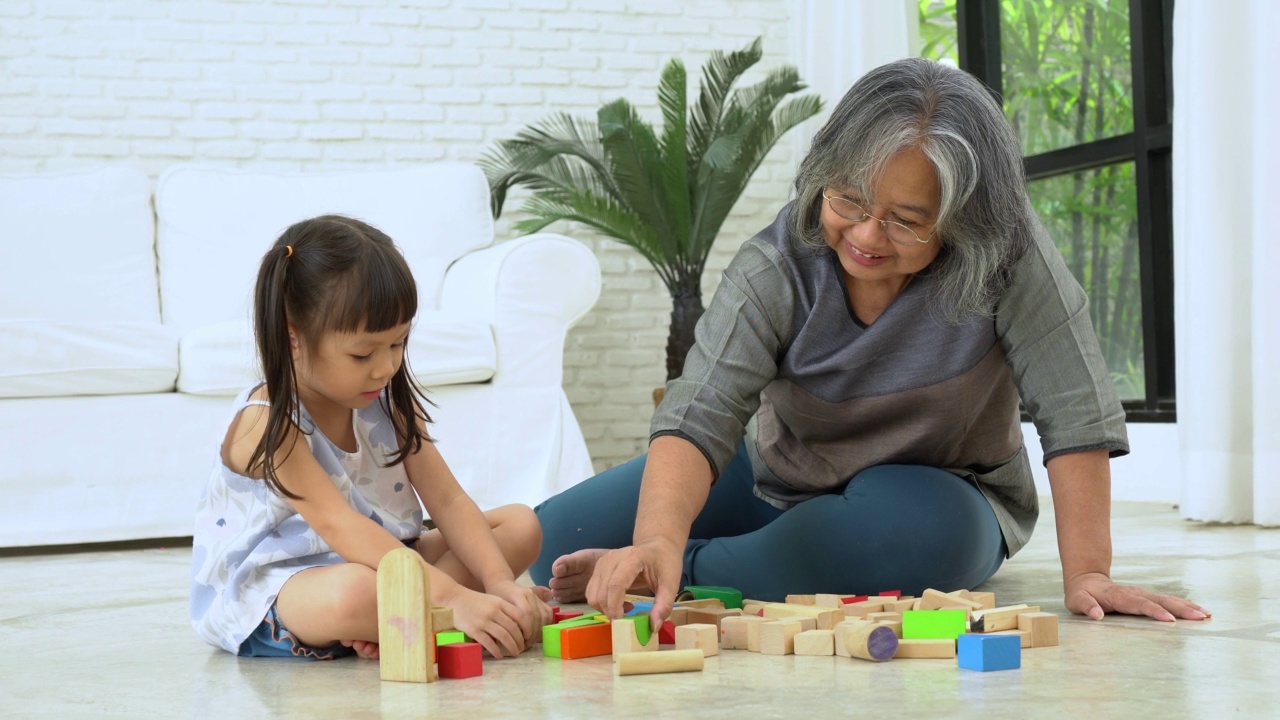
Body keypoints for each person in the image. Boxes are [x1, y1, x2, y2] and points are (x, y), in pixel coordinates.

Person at [531, 58, 1210, 629]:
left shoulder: (1008, 255)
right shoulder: (776, 263)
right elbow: (700, 409)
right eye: (849, 201)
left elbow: (1074, 406)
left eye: (906, 221)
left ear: (962, 221)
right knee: (550, 548)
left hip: (944, 493)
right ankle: (685, 561)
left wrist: (1089, 571)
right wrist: (653, 536)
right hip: (781, 470)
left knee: (906, 540)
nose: (866, 236)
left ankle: (685, 574)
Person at [190, 215, 552, 661]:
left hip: (388, 560)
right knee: (357, 592)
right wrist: (458, 598)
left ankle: (404, 619)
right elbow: (340, 525)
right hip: (288, 586)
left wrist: (499, 583)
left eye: (398, 344)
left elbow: (451, 503)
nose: (385, 368)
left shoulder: (389, 401)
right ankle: (420, 613)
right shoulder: (268, 423)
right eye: (363, 353)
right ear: (293, 338)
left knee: (519, 524)